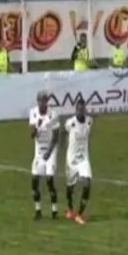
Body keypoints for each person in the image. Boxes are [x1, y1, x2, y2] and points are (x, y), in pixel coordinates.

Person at [28, 90, 60, 219]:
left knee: (49, 179)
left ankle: (54, 210)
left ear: (47, 102)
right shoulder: (33, 113)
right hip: (38, 151)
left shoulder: (53, 115)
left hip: (51, 150)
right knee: (35, 180)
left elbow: (56, 136)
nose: (42, 103)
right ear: (37, 101)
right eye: (40, 101)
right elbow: (32, 135)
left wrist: (49, 152)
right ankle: (38, 210)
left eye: (44, 101)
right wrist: (36, 126)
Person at [62, 98, 93, 224]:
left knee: (87, 183)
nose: (80, 111)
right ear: (75, 110)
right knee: (70, 187)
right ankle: (70, 209)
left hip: (84, 159)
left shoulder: (89, 121)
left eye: (82, 109)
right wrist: (64, 144)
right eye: (78, 109)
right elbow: (63, 132)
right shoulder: (70, 123)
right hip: (71, 160)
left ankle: (79, 214)